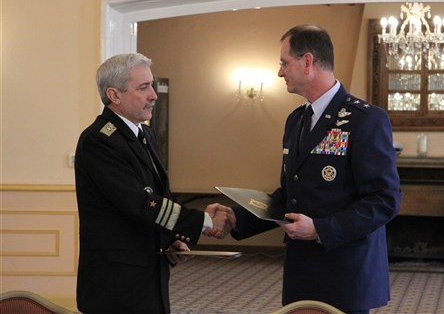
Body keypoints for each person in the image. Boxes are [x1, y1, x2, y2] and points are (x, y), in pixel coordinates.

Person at [208, 24, 401, 314]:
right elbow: (290, 195)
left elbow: (384, 200)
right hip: (302, 269)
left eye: (284, 63)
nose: (280, 72)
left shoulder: (365, 119)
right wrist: (238, 218)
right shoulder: (296, 120)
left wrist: (320, 229)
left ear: (308, 61)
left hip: (345, 269)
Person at [75, 53, 234, 314]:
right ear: (114, 95)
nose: (154, 95)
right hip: (115, 283)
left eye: (151, 84)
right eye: (143, 87)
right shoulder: (99, 141)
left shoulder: (143, 133)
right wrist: (204, 222)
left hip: (147, 273)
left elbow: (160, 194)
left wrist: (171, 238)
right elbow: (140, 203)